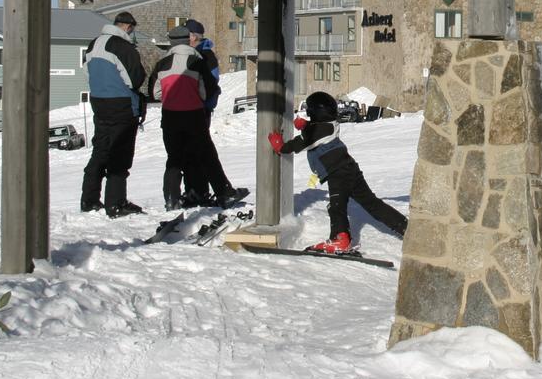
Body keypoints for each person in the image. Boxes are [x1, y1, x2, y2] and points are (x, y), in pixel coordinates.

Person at [268, 91, 406, 254]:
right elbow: (314, 132)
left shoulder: (318, 130)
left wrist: (281, 147)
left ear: (314, 112)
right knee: (372, 204)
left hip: (338, 173)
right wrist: (305, 126)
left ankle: (340, 239)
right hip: (350, 170)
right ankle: (405, 228)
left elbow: (301, 143)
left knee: (336, 207)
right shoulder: (328, 124)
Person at [148, 25, 248, 211]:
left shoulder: (162, 64)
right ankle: (223, 192)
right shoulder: (197, 61)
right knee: (206, 155)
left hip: (170, 116)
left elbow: (154, 92)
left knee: (174, 158)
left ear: (171, 42)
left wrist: (171, 98)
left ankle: (171, 199)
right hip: (193, 115)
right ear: (188, 40)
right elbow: (207, 89)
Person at [82, 11, 148, 217]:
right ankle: (115, 202)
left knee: (100, 151)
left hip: (99, 102)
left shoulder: (94, 44)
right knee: (120, 153)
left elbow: (87, 72)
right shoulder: (122, 46)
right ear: (128, 27)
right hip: (121, 104)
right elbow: (134, 79)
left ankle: (89, 199)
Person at [178, 19, 233, 206]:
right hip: (189, 108)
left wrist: (202, 101)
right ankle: (194, 190)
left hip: (201, 109)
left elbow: (212, 82)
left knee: (199, 149)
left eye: (187, 34)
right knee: (189, 151)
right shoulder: (190, 53)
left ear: (194, 36)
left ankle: (201, 191)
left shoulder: (206, 55)